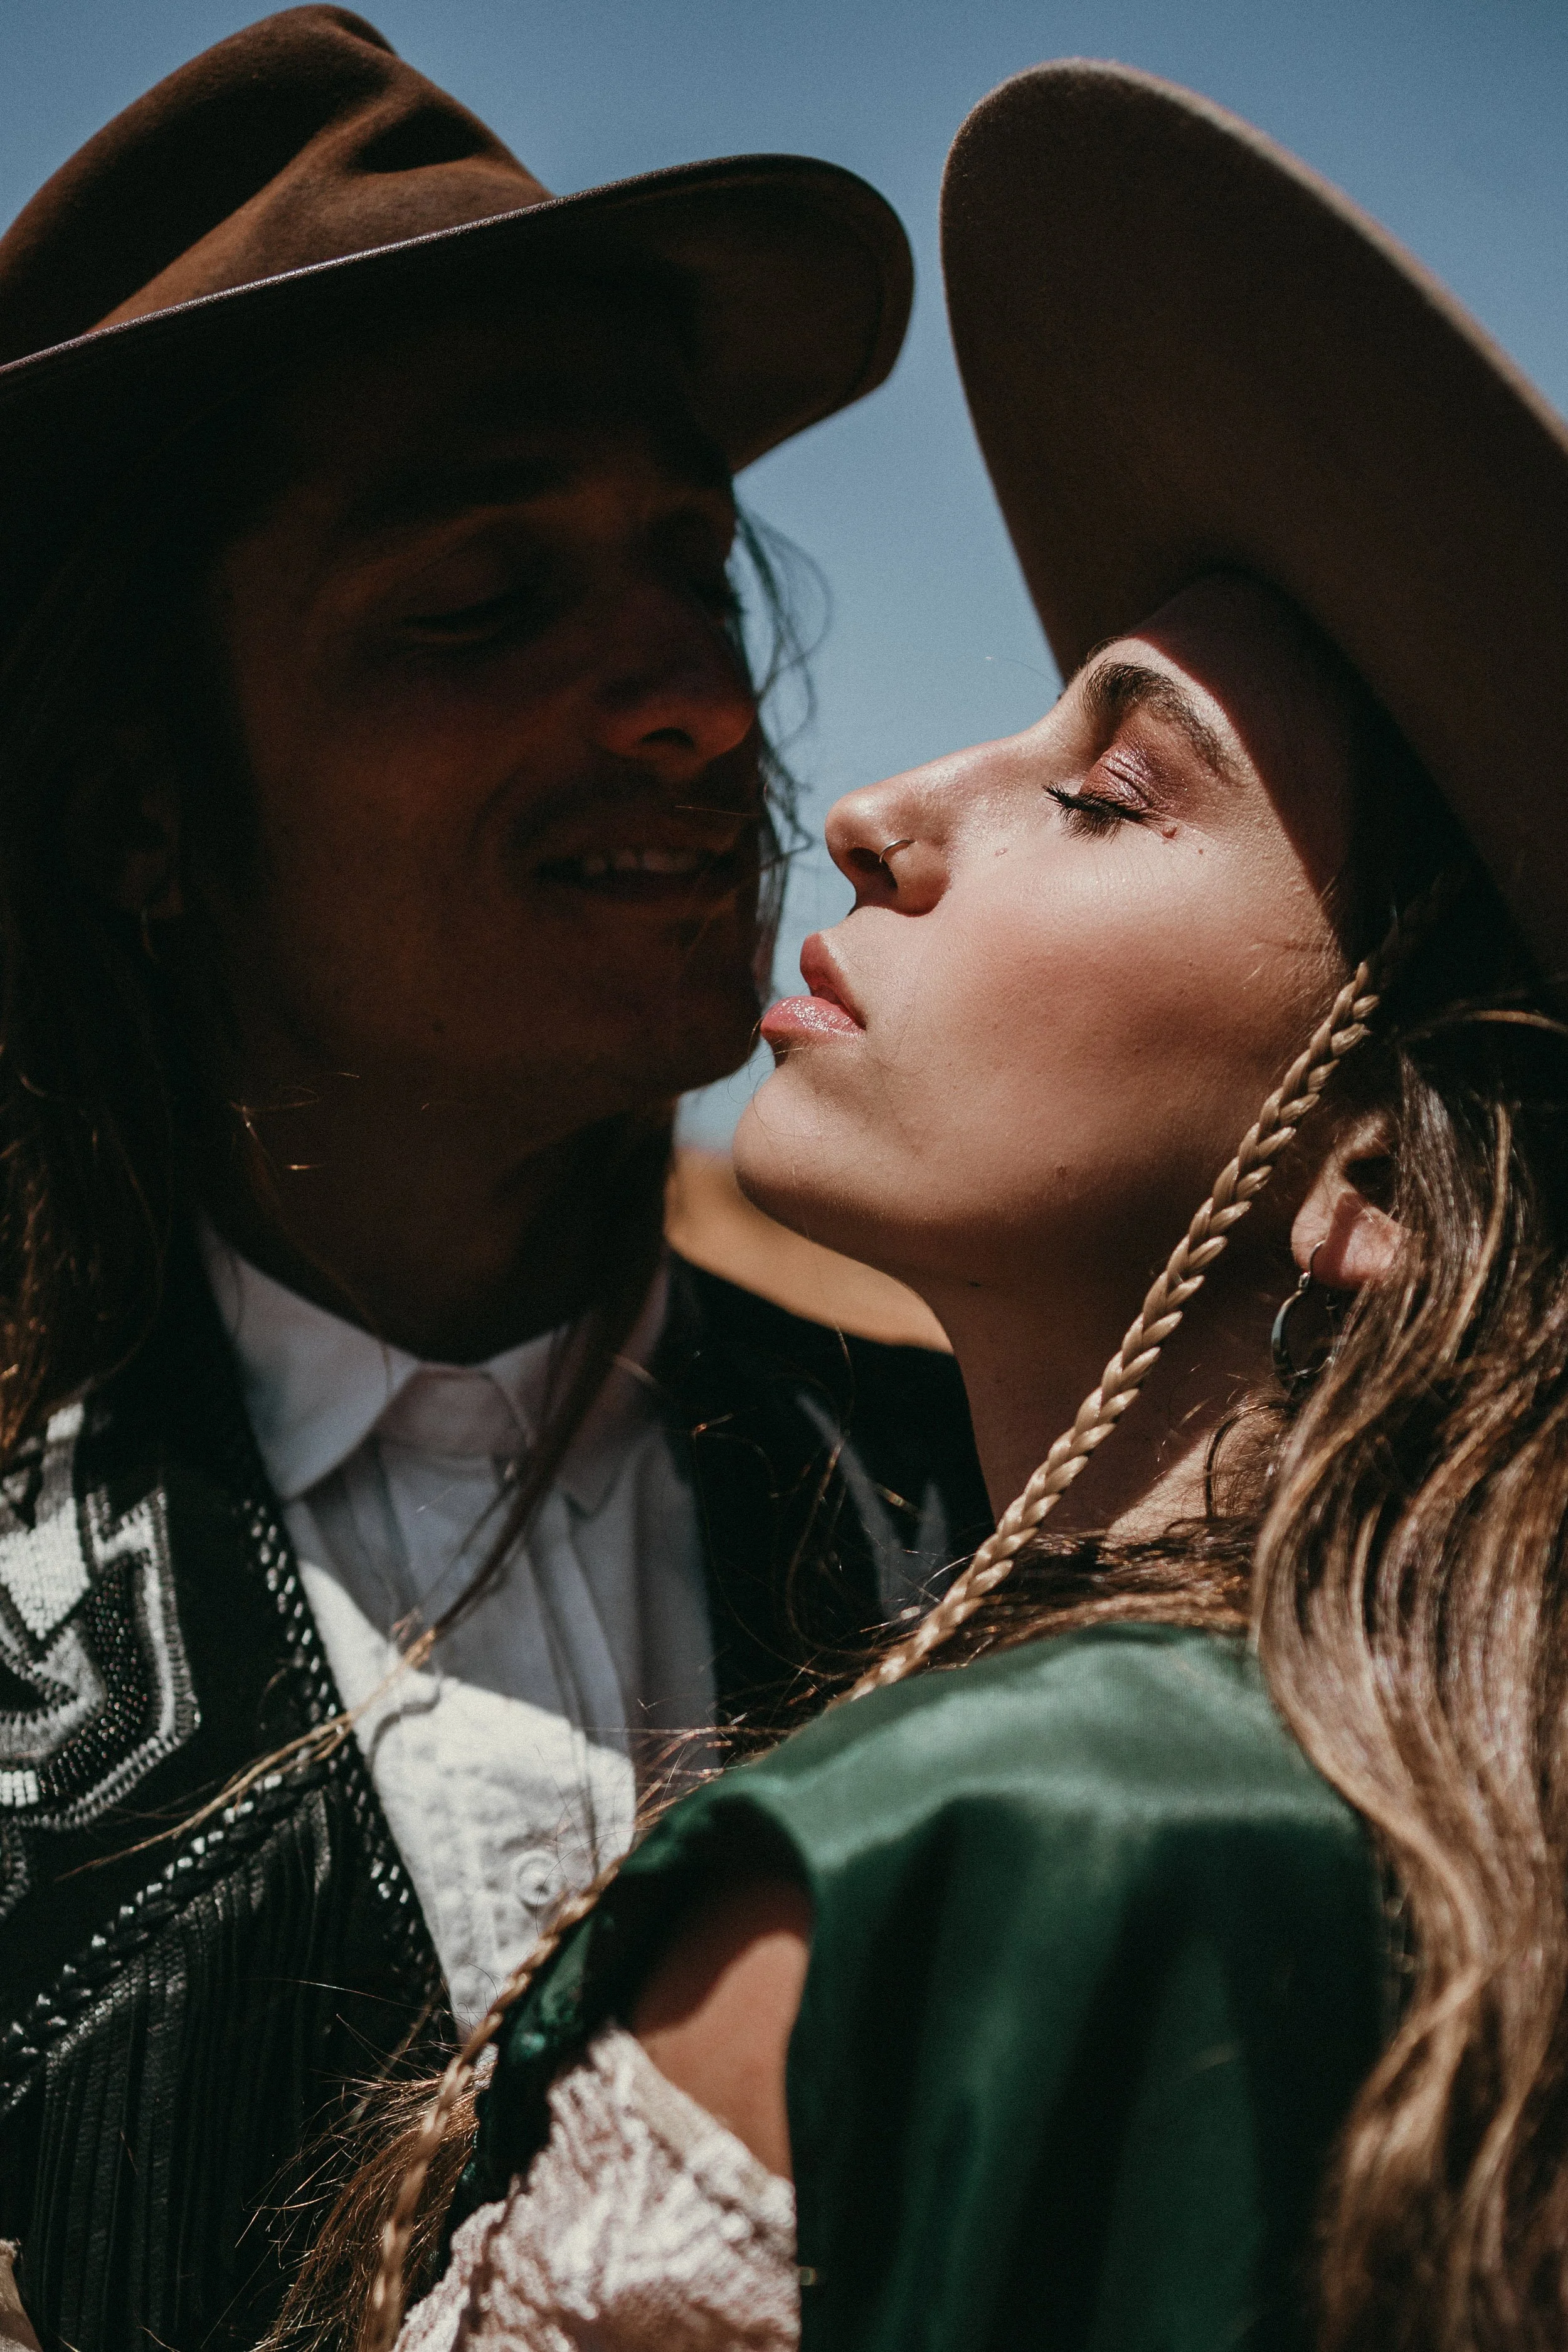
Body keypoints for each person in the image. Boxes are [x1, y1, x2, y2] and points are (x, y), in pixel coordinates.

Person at [325, 60, 1568, 2352]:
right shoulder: (1472, 1831)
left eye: (1106, 794)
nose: (869, 803)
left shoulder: (931, 1870)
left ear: (1378, 1169)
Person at [0, 13, 992, 2350]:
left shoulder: (1002, 1526)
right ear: (144, 803)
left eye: (691, 561)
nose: (697, 698)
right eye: (475, 599)